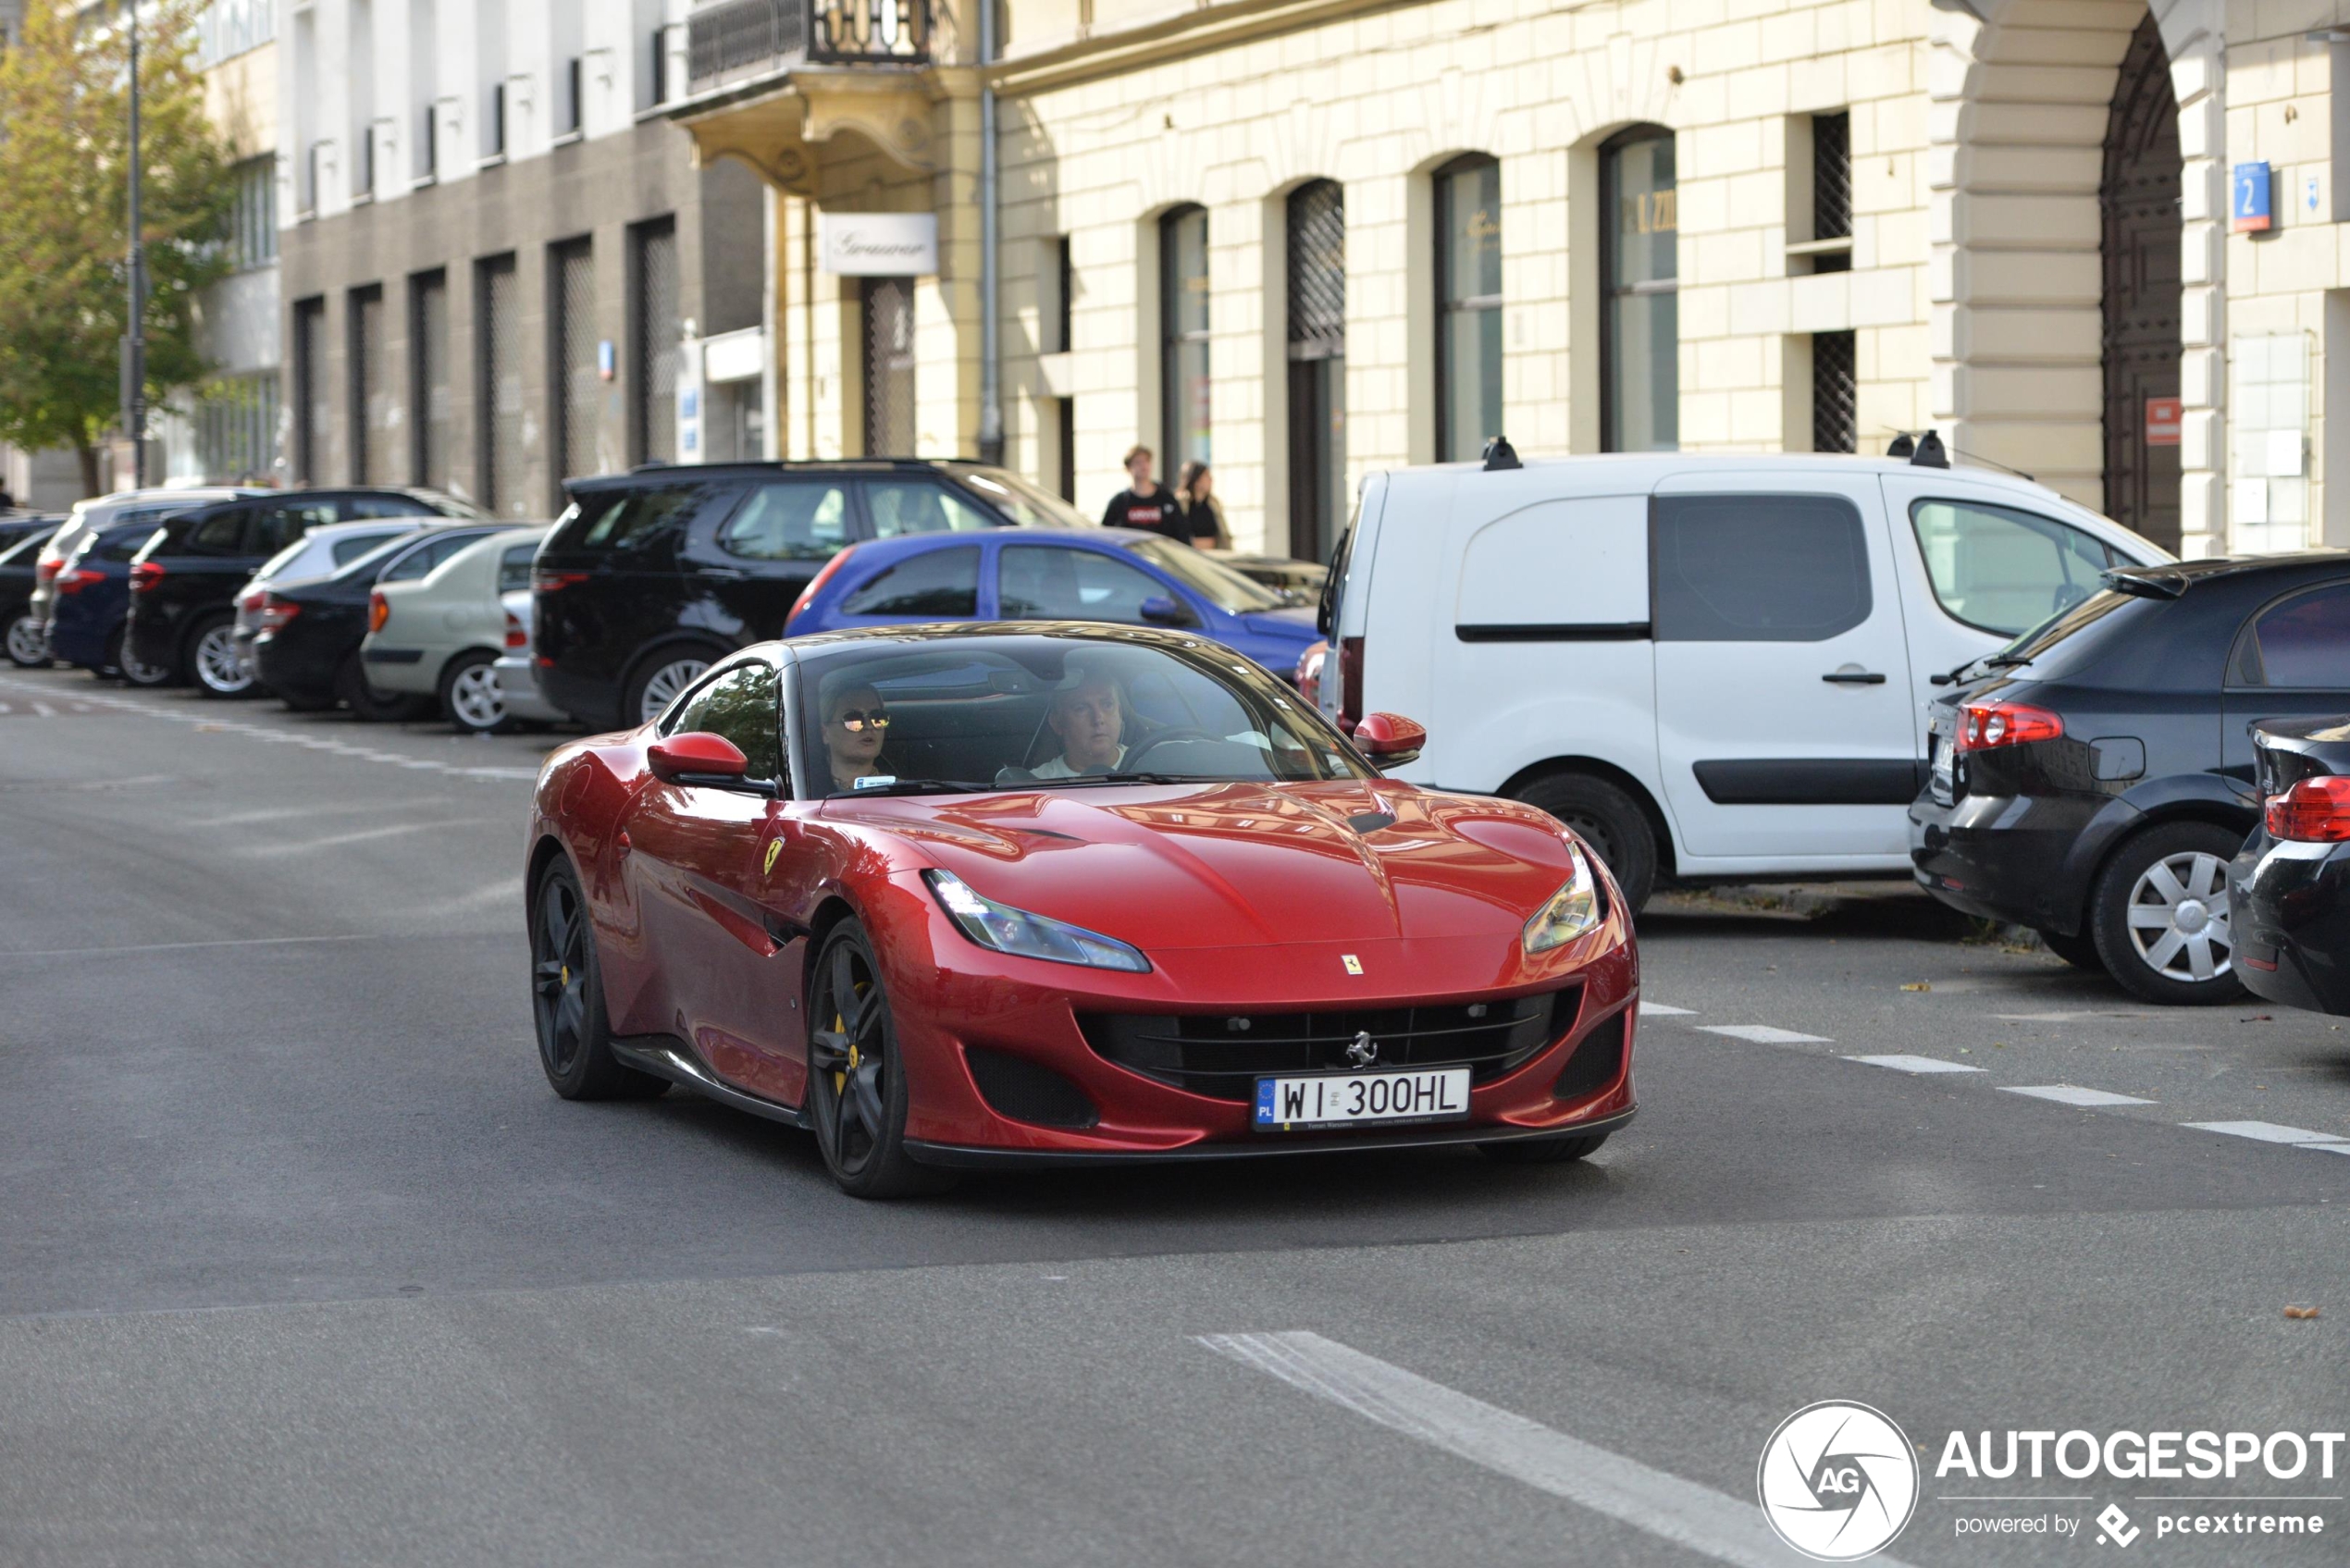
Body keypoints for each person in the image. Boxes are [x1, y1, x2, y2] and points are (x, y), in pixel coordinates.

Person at [1032, 669, 1128, 778]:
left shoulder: (1147, 765)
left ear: (1120, 713)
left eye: (1107, 705)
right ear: (1057, 723)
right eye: (1081, 708)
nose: (1098, 719)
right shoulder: (1035, 784)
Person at [820, 679, 894, 792]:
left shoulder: (903, 791)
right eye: (853, 719)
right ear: (824, 733)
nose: (869, 726)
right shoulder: (806, 792)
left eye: (878, 717)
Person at [1100, 446, 1179, 540]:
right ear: (1128, 468)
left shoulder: (1166, 498)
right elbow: (1105, 534)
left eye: (1146, 461)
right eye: (1138, 462)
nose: (1143, 466)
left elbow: (1181, 532)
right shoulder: (1119, 502)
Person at [1172, 461, 1230, 549]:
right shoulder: (1181, 503)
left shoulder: (1213, 503)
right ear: (1196, 480)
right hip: (1188, 555)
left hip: (1213, 555)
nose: (1211, 479)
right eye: (1206, 476)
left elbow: (1222, 532)